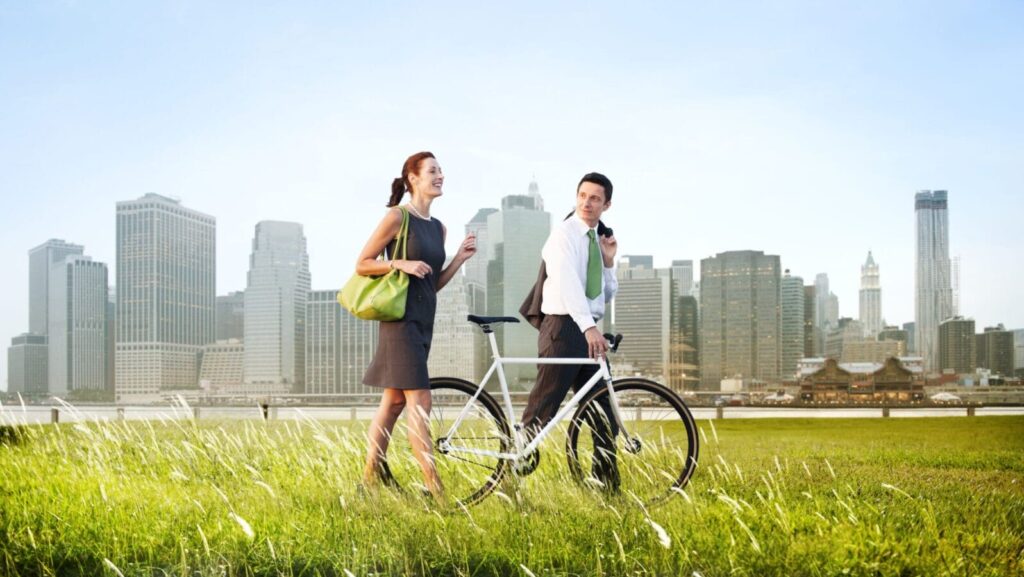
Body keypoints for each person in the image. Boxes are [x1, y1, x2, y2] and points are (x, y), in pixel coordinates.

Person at [356, 151, 476, 499]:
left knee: (393, 404)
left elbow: (431, 283)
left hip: (425, 322)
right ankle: (436, 491)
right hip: (401, 322)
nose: (440, 176)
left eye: (441, 171)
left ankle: (367, 484)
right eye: (433, 171)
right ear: (413, 178)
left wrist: (457, 260)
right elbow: (362, 264)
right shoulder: (397, 217)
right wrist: (400, 264)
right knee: (419, 401)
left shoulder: (438, 228)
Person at [519, 172, 620, 490]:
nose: (587, 202)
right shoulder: (563, 235)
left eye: (595, 198)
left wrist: (607, 262)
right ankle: (513, 462)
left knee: (604, 412)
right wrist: (590, 328)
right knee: (543, 407)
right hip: (563, 328)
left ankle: (605, 484)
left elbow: (603, 295)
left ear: (607, 205)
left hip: (587, 329)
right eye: (583, 195)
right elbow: (567, 284)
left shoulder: (594, 240)